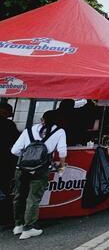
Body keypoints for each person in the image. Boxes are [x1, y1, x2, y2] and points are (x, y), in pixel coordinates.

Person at [10, 110, 67, 240]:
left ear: (42, 119)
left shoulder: (29, 130)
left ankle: (18, 225)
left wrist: (27, 158)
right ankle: (29, 228)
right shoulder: (60, 131)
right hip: (41, 169)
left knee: (19, 196)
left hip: (21, 168)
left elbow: (14, 150)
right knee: (33, 198)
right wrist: (62, 166)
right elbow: (62, 151)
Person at [0, 103, 20, 227]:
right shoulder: (9, 125)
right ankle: (5, 217)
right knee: (5, 189)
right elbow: (17, 142)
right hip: (5, 162)